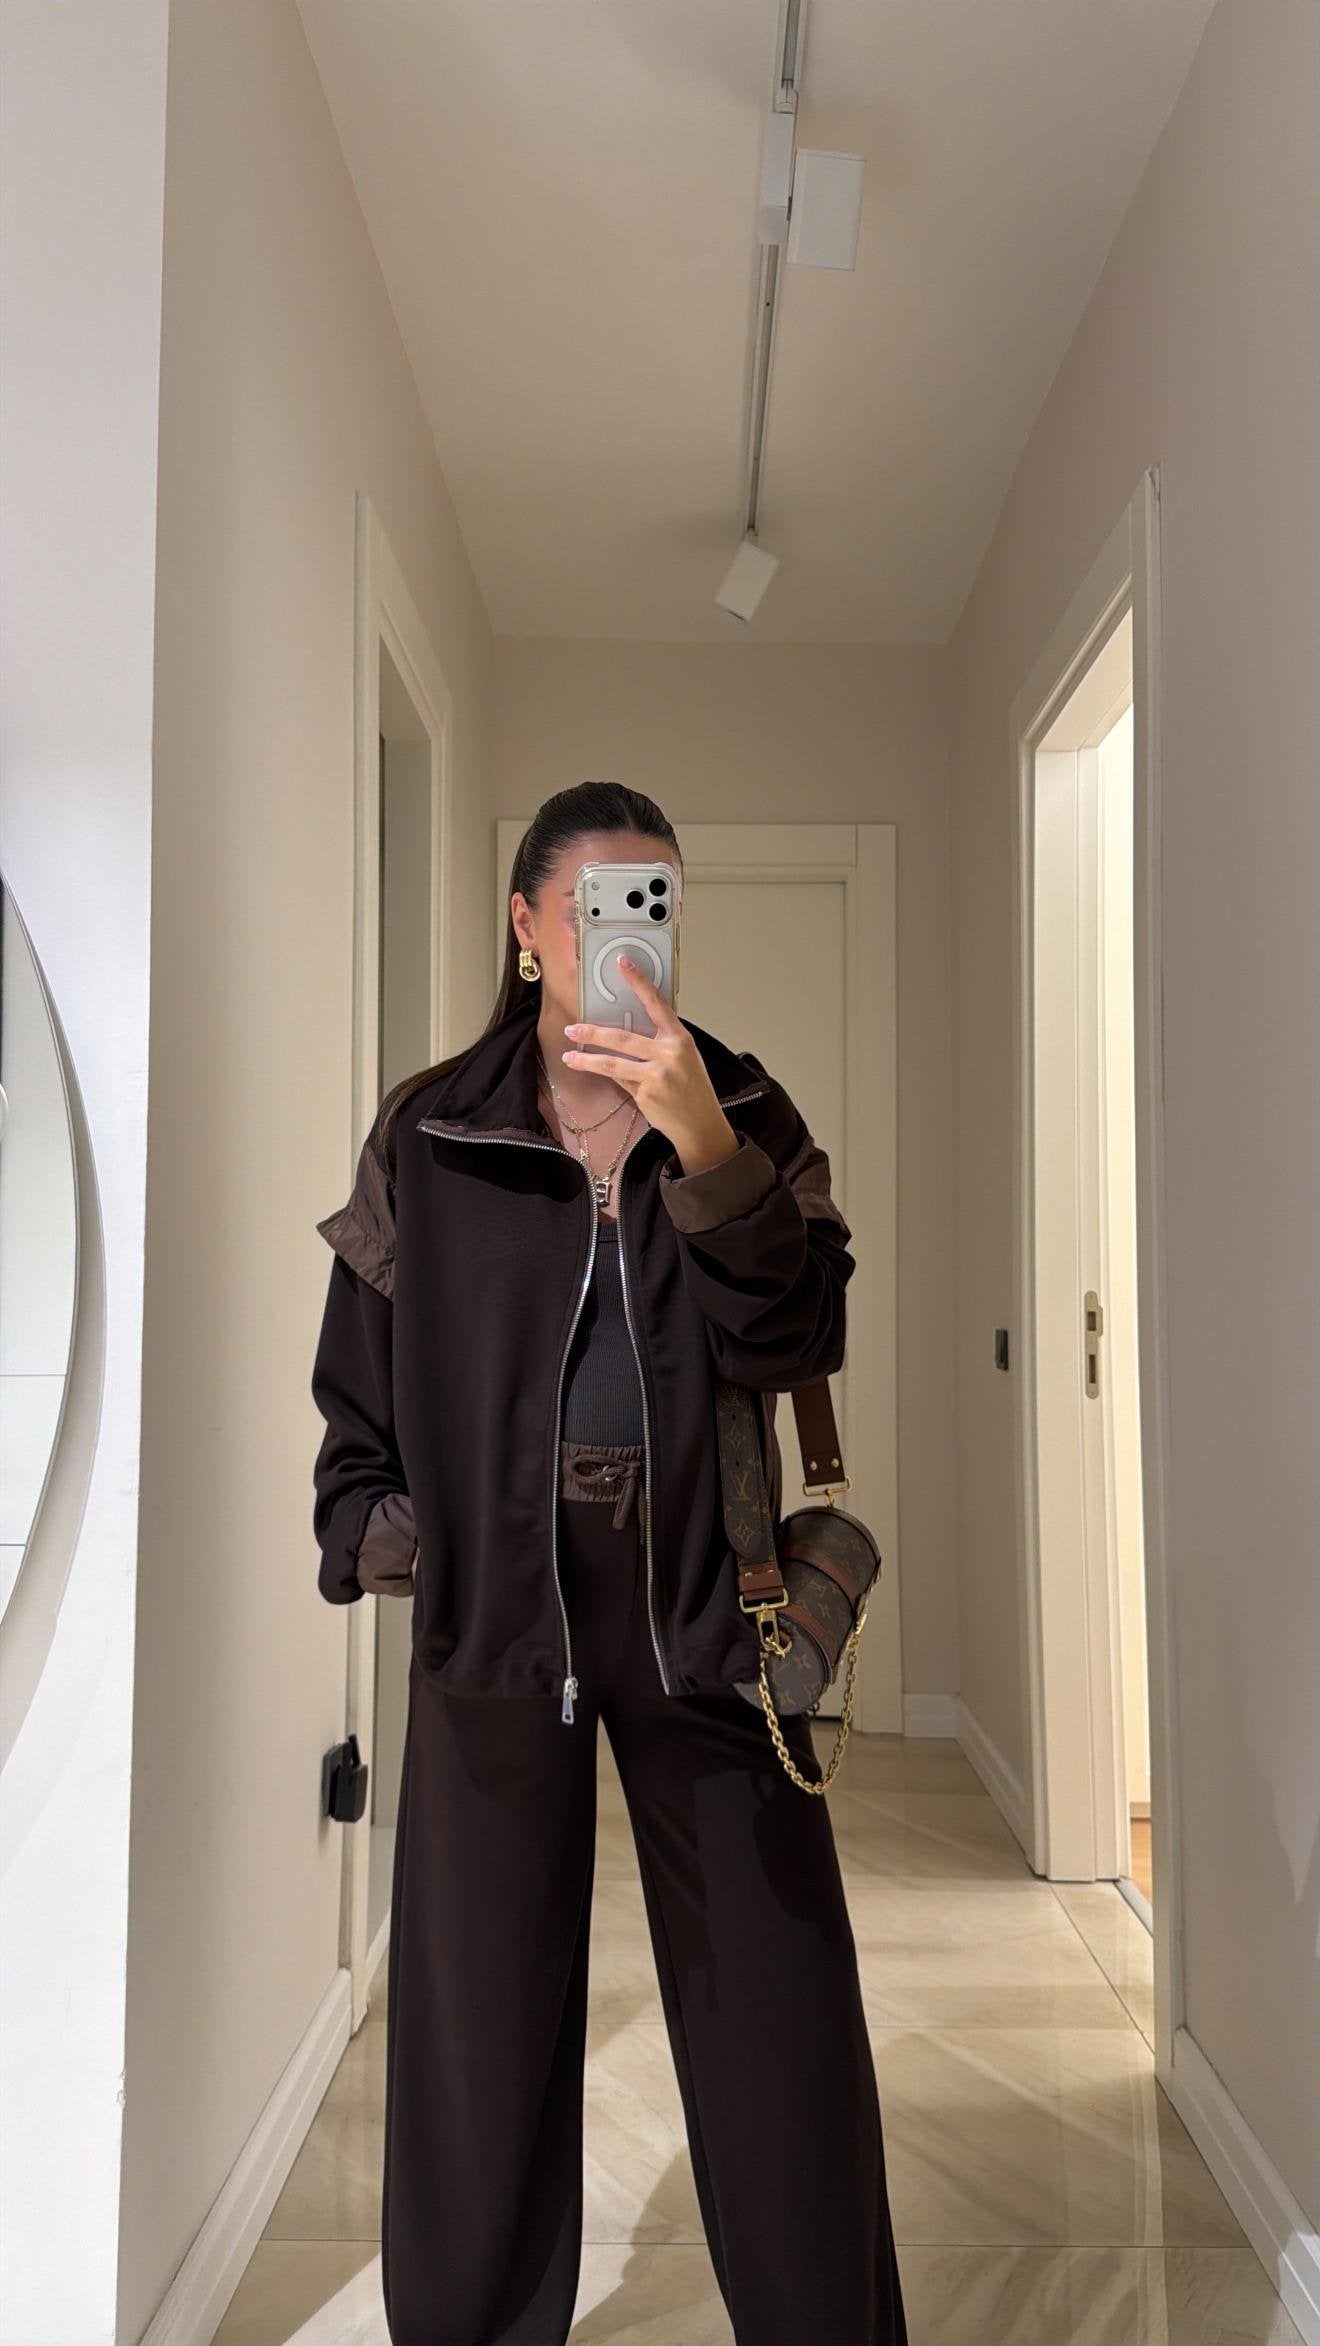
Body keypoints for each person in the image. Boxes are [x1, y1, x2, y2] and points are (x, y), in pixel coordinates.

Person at [309, 780, 909, 2346]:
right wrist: (402, 1543)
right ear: (529, 927)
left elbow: (799, 1333)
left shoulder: (746, 1107)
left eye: (656, 902)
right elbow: (357, 1388)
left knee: (781, 2014)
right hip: (500, 1619)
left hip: (709, 1602)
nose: (629, 934)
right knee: (479, 2025)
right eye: (594, 904)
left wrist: (702, 1140)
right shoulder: (430, 1128)